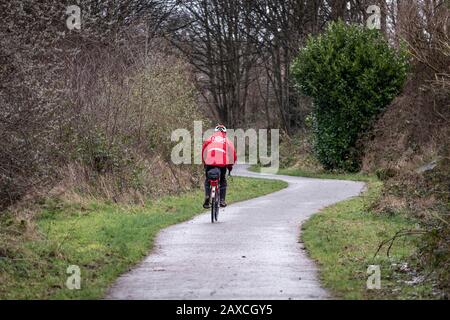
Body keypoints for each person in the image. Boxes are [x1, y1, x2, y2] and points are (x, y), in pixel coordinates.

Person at [202, 124, 237, 209]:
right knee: (222, 181)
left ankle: (207, 196)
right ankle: (222, 200)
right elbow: (233, 155)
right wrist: (229, 167)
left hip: (209, 162)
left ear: (215, 132)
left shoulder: (210, 139)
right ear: (224, 132)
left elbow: (203, 151)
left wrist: (204, 163)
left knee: (207, 180)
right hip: (222, 164)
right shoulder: (227, 140)